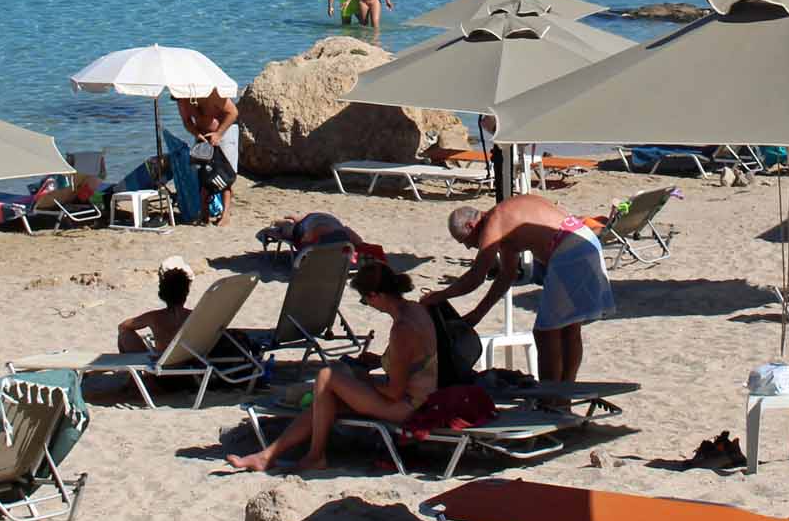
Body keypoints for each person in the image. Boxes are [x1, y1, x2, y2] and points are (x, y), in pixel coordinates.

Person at [228, 260, 437, 472]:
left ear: (375, 295)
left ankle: (315, 456)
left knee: (327, 377)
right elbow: (414, 360)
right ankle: (267, 456)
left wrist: (364, 380)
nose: (368, 304)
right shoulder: (417, 310)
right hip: (423, 396)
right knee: (325, 399)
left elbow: (394, 392)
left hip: (409, 406)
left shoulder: (402, 329)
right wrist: (380, 361)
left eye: (365, 300)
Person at [427, 193, 611, 384]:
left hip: (569, 248)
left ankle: (551, 398)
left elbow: (476, 276)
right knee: (569, 328)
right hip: (584, 240)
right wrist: (478, 314)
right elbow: (507, 275)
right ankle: (563, 396)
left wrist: (439, 296)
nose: (467, 247)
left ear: (471, 226)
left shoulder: (494, 221)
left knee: (546, 333)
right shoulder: (506, 220)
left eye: (464, 240)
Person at [176, 88, 240, 222]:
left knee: (224, 175)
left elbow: (233, 113)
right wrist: (196, 134)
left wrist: (219, 133)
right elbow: (186, 121)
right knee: (203, 176)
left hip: (225, 133)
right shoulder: (182, 97)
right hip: (203, 136)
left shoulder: (213, 93)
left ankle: (225, 214)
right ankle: (204, 214)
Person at [117, 257, 194, 357]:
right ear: (186, 293)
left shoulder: (154, 317)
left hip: (162, 367)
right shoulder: (196, 316)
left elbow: (123, 327)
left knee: (124, 334)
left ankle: (128, 365)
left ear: (163, 294)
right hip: (194, 363)